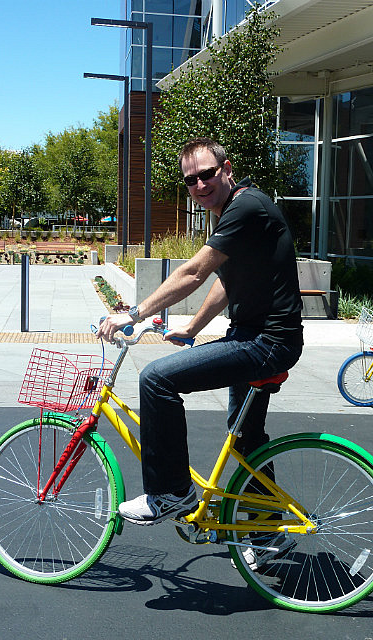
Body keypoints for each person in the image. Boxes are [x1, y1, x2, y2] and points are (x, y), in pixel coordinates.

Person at [97, 137, 303, 530]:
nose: (199, 185)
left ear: (227, 169)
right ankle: (265, 533)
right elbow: (228, 281)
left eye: (207, 174)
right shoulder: (236, 209)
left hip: (265, 341)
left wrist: (135, 313)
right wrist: (192, 327)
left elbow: (194, 272)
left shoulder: (245, 207)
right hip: (260, 338)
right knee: (245, 436)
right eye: (190, 180)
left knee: (156, 379)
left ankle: (171, 492)